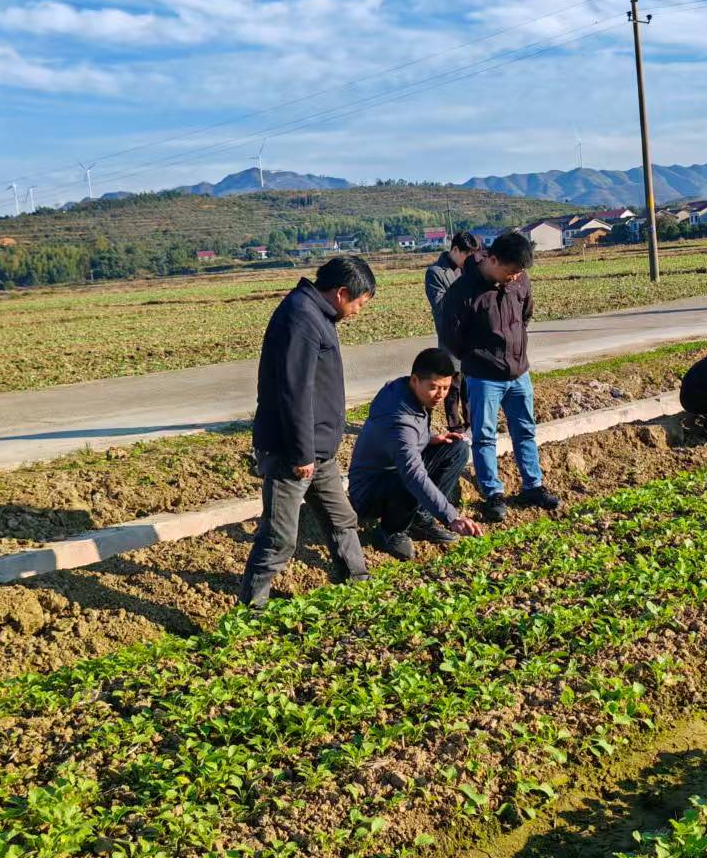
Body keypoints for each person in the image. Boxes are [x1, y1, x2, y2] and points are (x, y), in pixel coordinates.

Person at [239, 255, 377, 606]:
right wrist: (301, 453)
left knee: (341, 519)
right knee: (280, 536)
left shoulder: (316, 313)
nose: (359, 311)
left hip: (319, 448)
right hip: (293, 452)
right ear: (342, 293)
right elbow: (294, 392)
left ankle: (357, 579)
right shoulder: (301, 317)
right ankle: (252, 608)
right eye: (360, 303)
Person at [438, 230, 561, 523]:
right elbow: (452, 337)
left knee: (525, 431)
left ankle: (533, 486)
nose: (515, 278)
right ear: (492, 259)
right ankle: (493, 494)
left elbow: (526, 315)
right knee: (484, 437)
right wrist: (478, 358)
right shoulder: (464, 291)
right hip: (483, 378)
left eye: (519, 273)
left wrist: (515, 350)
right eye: (510, 272)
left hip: (519, 373)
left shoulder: (520, 281)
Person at [348, 347, 485, 560]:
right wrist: (451, 517)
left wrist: (429, 438)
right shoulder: (398, 417)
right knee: (409, 478)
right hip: (370, 493)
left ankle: (420, 519)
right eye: (434, 387)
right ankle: (389, 531)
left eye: (446, 388)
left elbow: (414, 425)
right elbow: (413, 472)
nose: (440, 395)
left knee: (456, 449)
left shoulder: (407, 393)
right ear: (415, 380)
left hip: (393, 474)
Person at [423, 231, 481, 431]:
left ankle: (472, 424)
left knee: (470, 387)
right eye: (467, 256)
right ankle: (455, 427)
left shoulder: (469, 269)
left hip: (471, 339)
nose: (469, 261)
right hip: (451, 339)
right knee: (453, 387)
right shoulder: (436, 273)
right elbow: (441, 307)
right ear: (455, 249)